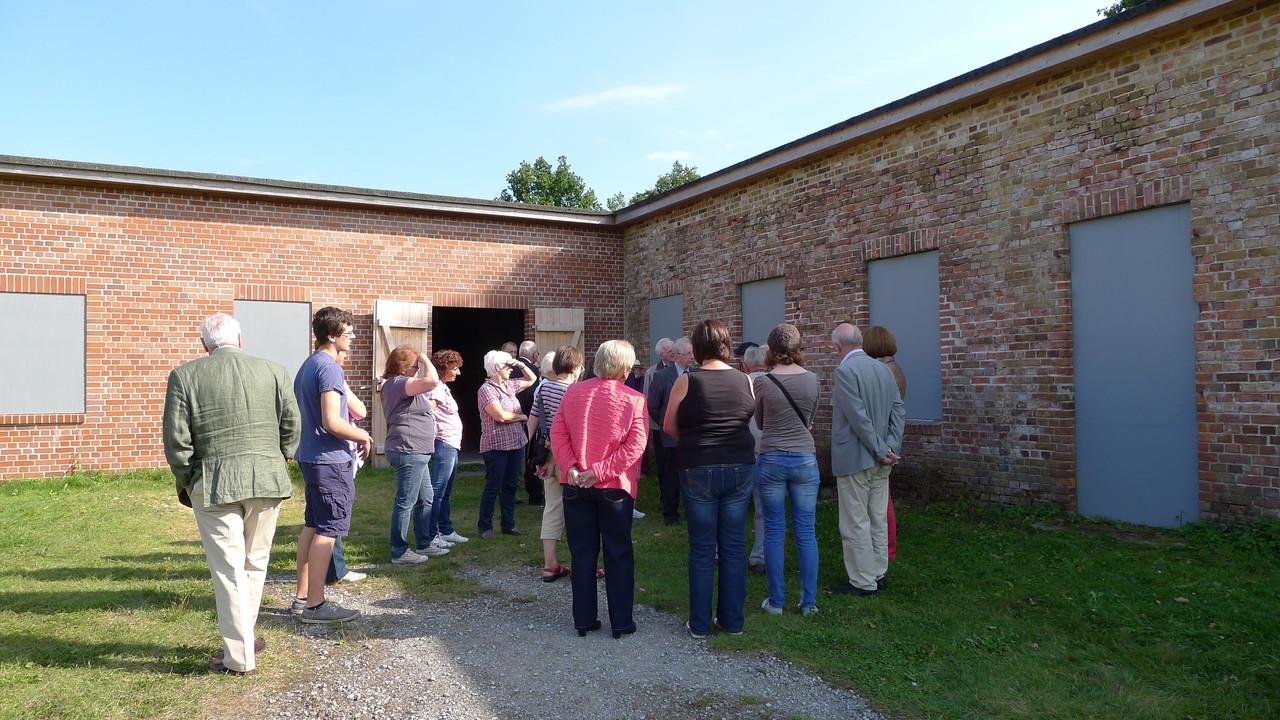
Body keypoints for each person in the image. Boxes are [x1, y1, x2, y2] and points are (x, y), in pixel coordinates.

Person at [162, 312, 300, 675]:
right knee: (255, 563)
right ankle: (245, 640)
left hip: (214, 481)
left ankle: (239, 656)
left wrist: (189, 479)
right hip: (266, 479)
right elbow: (291, 424)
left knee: (229, 570)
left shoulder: (185, 376)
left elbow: (177, 439)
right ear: (240, 340)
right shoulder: (274, 371)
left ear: (204, 344)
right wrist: (280, 458)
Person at [663, 320, 756, 638]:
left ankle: (700, 624)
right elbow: (747, 416)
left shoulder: (687, 380)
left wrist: (693, 439)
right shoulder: (745, 379)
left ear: (697, 347)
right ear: (726, 345)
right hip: (740, 467)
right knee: (733, 546)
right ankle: (732, 622)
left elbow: (669, 426)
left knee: (703, 548)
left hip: (699, 466)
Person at [550, 340, 648, 638]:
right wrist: (597, 472)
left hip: (577, 483)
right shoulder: (634, 399)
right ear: (626, 368)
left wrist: (573, 468)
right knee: (618, 552)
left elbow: (557, 433)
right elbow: (637, 446)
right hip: (614, 486)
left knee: (582, 553)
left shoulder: (573, 392)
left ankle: (584, 620)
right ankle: (621, 622)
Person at [293, 306, 372, 624]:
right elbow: (332, 422)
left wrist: (341, 375)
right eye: (348, 332)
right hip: (330, 460)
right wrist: (363, 436)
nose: (353, 337)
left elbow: (359, 409)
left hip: (312, 458)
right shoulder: (327, 369)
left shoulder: (314, 364)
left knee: (312, 526)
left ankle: (302, 598)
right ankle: (315, 606)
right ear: (332, 335)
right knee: (328, 530)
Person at [829, 323, 905, 596]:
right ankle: (877, 572)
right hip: (883, 456)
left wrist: (880, 449)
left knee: (856, 520)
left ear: (838, 347)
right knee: (876, 517)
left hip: (857, 457)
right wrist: (890, 447)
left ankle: (862, 580)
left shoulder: (845, 371)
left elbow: (857, 417)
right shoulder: (884, 369)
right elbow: (899, 411)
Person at [753, 324, 821, 615]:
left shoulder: (764, 382)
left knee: (773, 530)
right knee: (806, 532)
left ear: (770, 350)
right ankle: (808, 603)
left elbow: (759, 422)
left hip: (772, 457)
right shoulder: (812, 379)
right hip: (805, 457)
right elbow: (810, 418)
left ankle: (776, 601)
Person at [381, 346, 445, 565]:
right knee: (405, 501)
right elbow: (432, 381)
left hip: (416, 451)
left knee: (425, 498)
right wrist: (425, 358)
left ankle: (424, 543)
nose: (419, 369)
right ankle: (399, 551)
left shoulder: (397, 385)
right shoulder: (399, 383)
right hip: (408, 450)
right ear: (404, 366)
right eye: (415, 365)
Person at [526, 345, 583, 581]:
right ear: (577, 368)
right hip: (570, 457)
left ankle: (550, 564)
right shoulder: (576, 392)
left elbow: (531, 423)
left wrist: (533, 456)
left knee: (552, 507)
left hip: (546, 454)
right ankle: (583, 566)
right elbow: (574, 430)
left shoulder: (542, 388)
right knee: (580, 511)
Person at [477, 348, 537, 539]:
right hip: (496, 445)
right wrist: (522, 417)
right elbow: (500, 416)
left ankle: (508, 524)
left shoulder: (509, 385)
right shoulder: (486, 390)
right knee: (493, 487)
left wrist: (520, 364)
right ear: (497, 367)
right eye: (508, 366)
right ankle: (485, 527)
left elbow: (532, 380)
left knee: (510, 486)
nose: (511, 369)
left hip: (514, 443)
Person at [325, 347, 368, 587]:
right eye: (342, 353)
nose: (346, 355)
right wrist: (342, 380)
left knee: (326, 515)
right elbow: (360, 411)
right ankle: (336, 570)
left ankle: (331, 568)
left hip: (330, 454)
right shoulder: (333, 375)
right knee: (335, 514)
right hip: (337, 455)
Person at [863, 326, 905, 562]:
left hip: (883, 443)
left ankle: (887, 550)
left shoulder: (887, 372)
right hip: (887, 441)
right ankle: (885, 548)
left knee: (882, 500)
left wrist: (888, 447)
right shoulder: (892, 369)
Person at [647, 336, 694, 525]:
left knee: (691, 476)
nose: (692, 357)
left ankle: (692, 511)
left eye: (693, 353)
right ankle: (670, 513)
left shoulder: (697, 374)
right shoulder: (662, 377)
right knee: (670, 477)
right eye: (688, 353)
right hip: (669, 436)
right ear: (676, 357)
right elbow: (653, 405)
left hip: (692, 434)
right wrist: (665, 423)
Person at [425, 349, 468, 547]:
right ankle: (432, 534)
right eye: (455, 368)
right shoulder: (436, 389)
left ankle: (446, 529)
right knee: (438, 491)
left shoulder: (443, 387)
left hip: (451, 443)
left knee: (446, 491)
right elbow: (428, 412)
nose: (458, 373)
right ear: (444, 368)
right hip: (443, 442)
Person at [736, 342, 768, 576]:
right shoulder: (774, 382)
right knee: (764, 508)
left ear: (745, 363)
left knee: (732, 505)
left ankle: (723, 552)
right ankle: (760, 557)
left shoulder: (740, 383)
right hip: (768, 449)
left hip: (741, 449)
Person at [514, 340, 545, 506]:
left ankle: (509, 492)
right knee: (530, 455)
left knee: (511, 456)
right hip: (526, 417)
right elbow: (533, 397)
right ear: (534, 355)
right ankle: (534, 494)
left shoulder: (509, 367)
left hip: (509, 416)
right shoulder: (531, 369)